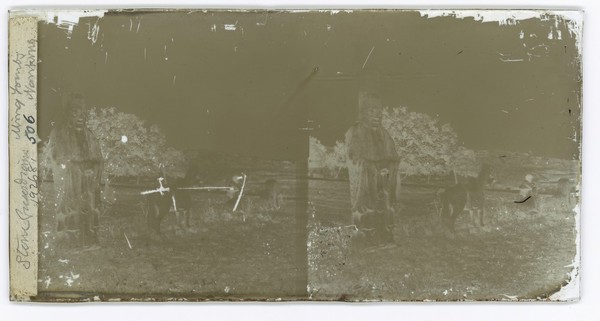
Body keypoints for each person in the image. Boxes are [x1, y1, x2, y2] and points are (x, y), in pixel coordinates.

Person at [48, 93, 104, 247]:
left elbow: (98, 159)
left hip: (88, 186)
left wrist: (92, 168)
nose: (81, 117)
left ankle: (90, 240)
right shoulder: (58, 133)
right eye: (76, 112)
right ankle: (69, 241)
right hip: (70, 186)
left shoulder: (90, 136)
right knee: (70, 210)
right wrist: (77, 168)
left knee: (90, 210)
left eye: (83, 113)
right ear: (68, 113)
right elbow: (56, 158)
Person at [345, 91, 399, 245]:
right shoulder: (355, 131)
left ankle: (386, 236)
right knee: (368, 208)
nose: (377, 116)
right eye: (372, 111)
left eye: (380, 112)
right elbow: (353, 158)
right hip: (367, 182)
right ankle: (367, 237)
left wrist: (388, 165)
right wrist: (372, 166)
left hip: (384, 180)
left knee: (385, 208)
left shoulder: (384, 133)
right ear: (363, 113)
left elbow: (393, 156)